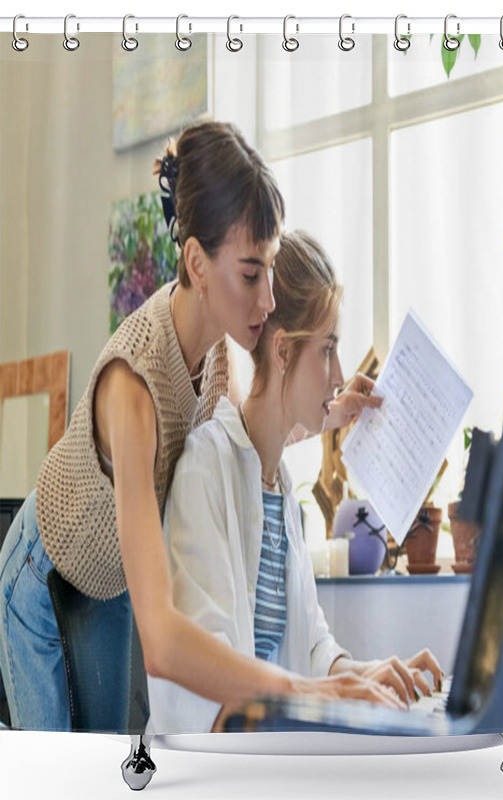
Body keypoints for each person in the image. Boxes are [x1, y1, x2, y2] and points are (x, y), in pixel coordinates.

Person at [0, 121, 393, 732]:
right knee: (60, 773)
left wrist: (331, 414)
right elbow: (162, 640)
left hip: (107, 582)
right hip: (40, 576)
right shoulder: (132, 390)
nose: (267, 300)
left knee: (106, 764)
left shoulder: (216, 354)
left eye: (268, 269)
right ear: (196, 262)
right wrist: (311, 692)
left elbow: (255, 435)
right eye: (250, 274)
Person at [148, 230, 444, 733]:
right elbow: (207, 692)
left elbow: (311, 650)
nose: (339, 374)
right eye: (327, 349)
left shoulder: (280, 485)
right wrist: (336, 694)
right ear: (282, 351)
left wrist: (369, 675)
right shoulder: (206, 468)